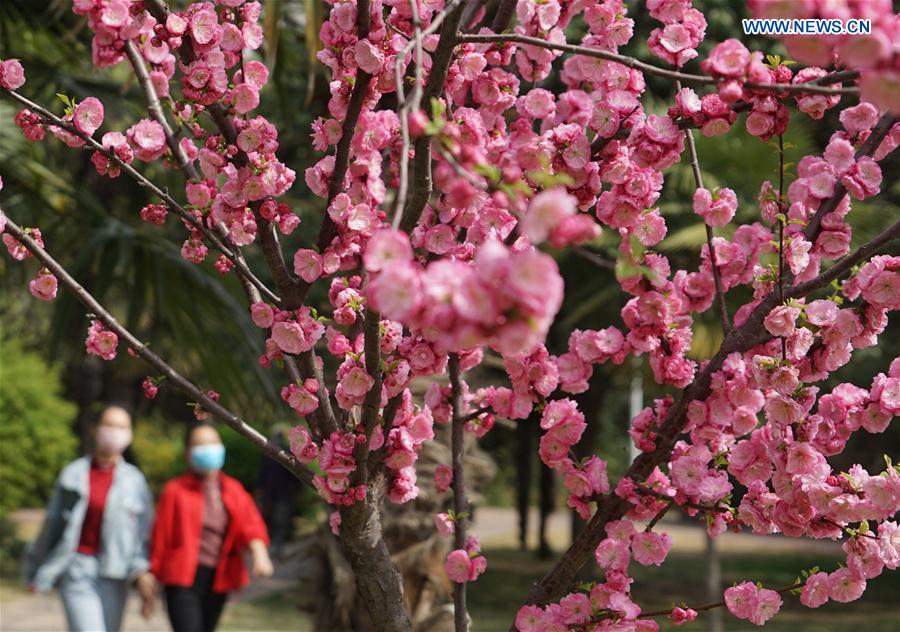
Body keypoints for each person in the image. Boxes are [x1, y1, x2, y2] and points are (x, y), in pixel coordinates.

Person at [23, 406, 155, 632]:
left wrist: (143, 572)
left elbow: (142, 533)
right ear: (96, 429)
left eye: (121, 427)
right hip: (78, 569)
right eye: (109, 425)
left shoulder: (134, 481)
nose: (114, 432)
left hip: (116, 571)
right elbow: (52, 524)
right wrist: (35, 568)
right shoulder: (73, 474)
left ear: (130, 434)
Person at [147, 420, 273, 632]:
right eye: (200, 445)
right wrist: (151, 576)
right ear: (188, 453)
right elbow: (161, 537)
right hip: (182, 579)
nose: (208, 450)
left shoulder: (233, 489)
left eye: (213, 443)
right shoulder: (175, 490)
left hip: (218, 578)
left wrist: (260, 554)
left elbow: (250, 525)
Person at [255, 424, 300, 560]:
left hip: (279, 493)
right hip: (277, 493)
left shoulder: (280, 452)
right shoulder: (271, 453)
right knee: (276, 521)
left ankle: (275, 548)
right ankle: (274, 548)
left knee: (277, 521)